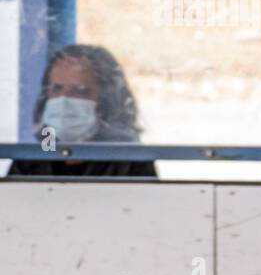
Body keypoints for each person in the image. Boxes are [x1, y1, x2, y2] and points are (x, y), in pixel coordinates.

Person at [7, 44, 156, 178]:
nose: (64, 100)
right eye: (57, 89)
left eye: (80, 91)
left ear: (107, 101)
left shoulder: (131, 163)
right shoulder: (31, 160)